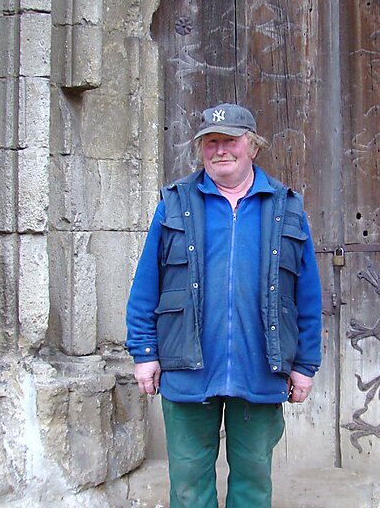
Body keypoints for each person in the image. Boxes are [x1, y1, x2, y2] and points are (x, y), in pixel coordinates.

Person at [125, 103, 323, 508]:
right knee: (188, 482)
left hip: (260, 368)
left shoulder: (286, 207)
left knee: (253, 479)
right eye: (210, 142)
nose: (220, 150)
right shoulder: (175, 204)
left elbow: (306, 294)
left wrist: (305, 364)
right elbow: (146, 284)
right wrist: (144, 352)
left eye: (230, 141)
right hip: (188, 366)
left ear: (253, 146)